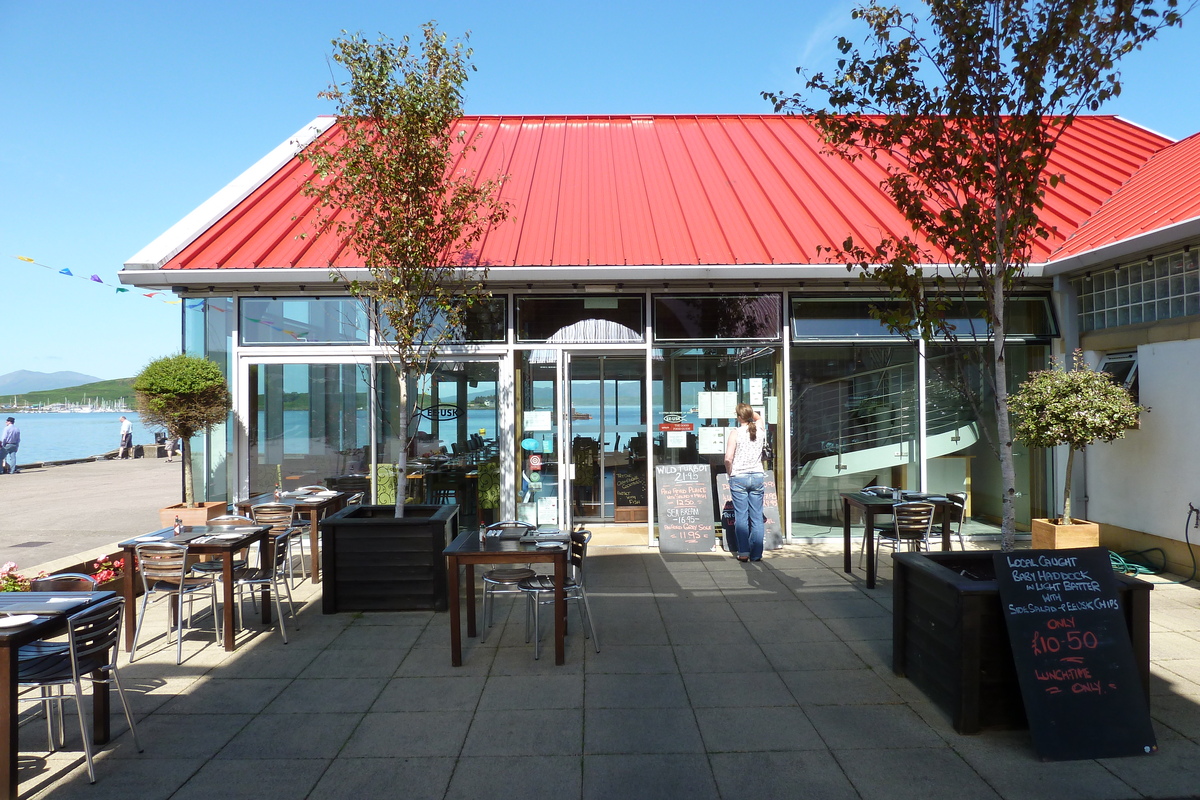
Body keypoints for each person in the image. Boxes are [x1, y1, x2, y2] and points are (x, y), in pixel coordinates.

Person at [724, 402, 766, 562]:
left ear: (739, 417)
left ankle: (743, 552)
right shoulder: (760, 430)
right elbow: (758, 417)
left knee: (741, 516)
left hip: (739, 477)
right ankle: (756, 554)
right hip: (757, 476)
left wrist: (730, 472)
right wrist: (750, 414)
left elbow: (728, 458)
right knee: (756, 517)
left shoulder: (735, 433)